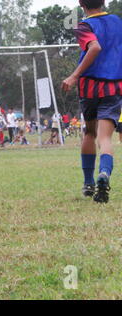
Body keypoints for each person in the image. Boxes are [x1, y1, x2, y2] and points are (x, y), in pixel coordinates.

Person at [62, 0, 122, 203]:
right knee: (104, 137)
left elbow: (94, 47)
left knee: (89, 132)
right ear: (104, 1)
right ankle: (104, 174)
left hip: (89, 87)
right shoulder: (116, 21)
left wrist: (74, 76)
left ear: (81, 3)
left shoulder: (84, 25)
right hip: (113, 86)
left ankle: (88, 183)